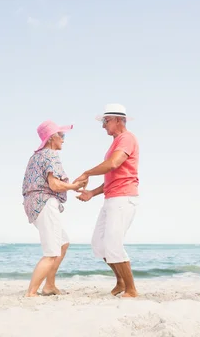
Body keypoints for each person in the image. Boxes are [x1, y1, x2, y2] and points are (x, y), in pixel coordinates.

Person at [74, 103, 140, 298]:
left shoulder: (127, 138)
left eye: (106, 120)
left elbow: (113, 164)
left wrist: (87, 173)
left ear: (118, 120)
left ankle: (132, 290)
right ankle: (120, 281)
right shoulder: (117, 141)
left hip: (123, 198)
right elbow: (113, 177)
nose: (103, 125)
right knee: (99, 244)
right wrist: (91, 193)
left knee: (114, 244)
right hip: (112, 198)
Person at [21, 120, 87, 297]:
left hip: (33, 204)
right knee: (51, 252)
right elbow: (54, 184)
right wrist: (74, 187)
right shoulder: (51, 154)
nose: (63, 140)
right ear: (51, 138)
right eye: (61, 135)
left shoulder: (36, 156)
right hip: (45, 203)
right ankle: (31, 293)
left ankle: (49, 285)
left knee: (63, 243)